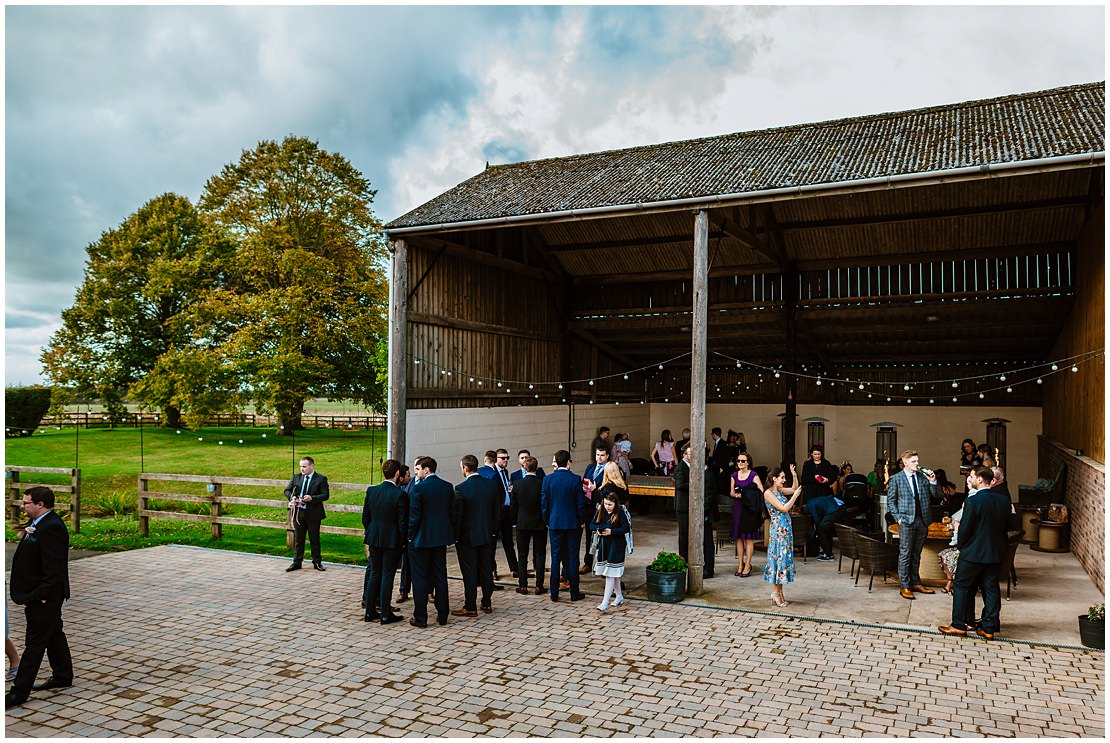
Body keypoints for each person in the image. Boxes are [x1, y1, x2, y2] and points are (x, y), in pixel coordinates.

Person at [6, 487, 73, 709]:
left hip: (45, 597)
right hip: (40, 594)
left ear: (40, 504)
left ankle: (19, 692)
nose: (22, 506)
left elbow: (54, 569)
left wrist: (42, 595)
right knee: (53, 632)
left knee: (34, 643)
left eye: (26, 503)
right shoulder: (40, 524)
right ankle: (63, 675)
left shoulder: (51, 527)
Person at [938, 467, 1013, 640]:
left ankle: (958, 625)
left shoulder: (974, 501)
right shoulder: (1003, 500)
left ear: (980, 480)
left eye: (972, 477)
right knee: (992, 589)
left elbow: (965, 529)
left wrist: (962, 546)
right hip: (995, 552)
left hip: (973, 553)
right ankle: (988, 628)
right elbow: (1007, 525)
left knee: (961, 586)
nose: (969, 480)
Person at [407, 456, 455, 628]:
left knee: (420, 579)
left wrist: (410, 535)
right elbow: (452, 513)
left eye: (418, 469)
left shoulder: (419, 489)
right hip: (440, 539)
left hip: (421, 539)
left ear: (427, 470)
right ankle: (443, 615)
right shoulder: (447, 487)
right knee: (440, 576)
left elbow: (415, 516)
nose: (416, 472)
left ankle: (421, 617)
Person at [452, 455, 501, 618]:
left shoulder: (460, 488)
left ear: (465, 468)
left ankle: (470, 606)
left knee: (469, 572)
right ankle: (487, 602)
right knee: (486, 569)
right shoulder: (491, 486)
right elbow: (497, 511)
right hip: (487, 535)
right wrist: (493, 531)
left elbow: (458, 516)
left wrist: (456, 536)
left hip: (468, 538)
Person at [886, 449, 939, 600]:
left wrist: (933, 481)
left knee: (917, 554)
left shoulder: (923, 478)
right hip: (906, 521)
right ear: (905, 463)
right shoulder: (896, 479)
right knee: (905, 554)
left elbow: (937, 495)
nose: (917, 464)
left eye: (917, 461)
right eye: (914, 461)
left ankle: (916, 582)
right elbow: (891, 501)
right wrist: (899, 518)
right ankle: (904, 585)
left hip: (922, 520)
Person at [362, 459, 407, 625]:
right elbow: (402, 522)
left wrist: (372, 531)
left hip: (374, 538)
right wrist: (403, 541)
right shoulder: (399, 494)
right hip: (392, 540)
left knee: (375, 573)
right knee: (387, 575)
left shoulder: (372, 491)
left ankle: (370, 611)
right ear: (397, 474)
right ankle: (386, 614)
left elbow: (365, 518)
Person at [541, 450, 589, 602]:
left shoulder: (547, 480)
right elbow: (580, 504)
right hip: (572, 523)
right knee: (573, 558)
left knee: (555, 559)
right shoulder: (575, 479)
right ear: (568, 462)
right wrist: (581, 521)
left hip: (555, 523)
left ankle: (554, 593)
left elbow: (544, 504)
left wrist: (548, 521)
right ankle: (574, 592)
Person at [673, 443, 716, 579]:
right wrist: (696, 483)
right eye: (691, 454)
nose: (694, 456)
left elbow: (709, 492)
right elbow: (680, 485)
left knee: (705, 539)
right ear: (685, 455)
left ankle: (707, 568)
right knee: (684, 535)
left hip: (702, 509)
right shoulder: (681, 468)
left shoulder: (705, 471)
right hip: (683, 507)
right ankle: (684, 561)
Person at [284, 456, 330, 572]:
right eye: (300, 466)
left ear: (311, 466)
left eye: (304, 466)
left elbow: (325, 495)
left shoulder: (320, 479)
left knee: (314, 538)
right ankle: (297, 562)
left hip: (313, 513)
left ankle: (317, 562)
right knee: (298, 539)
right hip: (299, 513)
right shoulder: (296, 477)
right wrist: (292, 497)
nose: (302, 469)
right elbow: (287, 490)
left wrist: (312, 498)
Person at [589, 491, 632, 612]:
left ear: (615, 504)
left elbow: (626, 528)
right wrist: (598, 530)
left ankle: (604, 602)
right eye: (606, 503)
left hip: (616, 546)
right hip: (605, 545)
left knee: (610, 573)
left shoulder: (621, 512)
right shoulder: (601, 511)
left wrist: (611, 531)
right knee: (614, 573)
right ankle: (618, 596)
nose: (607, 506)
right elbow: (591, 525)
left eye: (610, 504)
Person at [763, 465, 800, 607]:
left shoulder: (778, 490)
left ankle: (780, 593)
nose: (784, 480)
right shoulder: (768, 493)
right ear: (774, 479)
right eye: (782, 478)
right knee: (777, 559)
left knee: (783, 560)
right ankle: (775, 593)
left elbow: (793, 488)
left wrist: (794, 475)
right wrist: (795, 497)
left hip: (785, 529)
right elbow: (784, 508)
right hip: (778, 531)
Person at [510, 456, 547, 595]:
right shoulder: (542, 483)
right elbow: (545, 504)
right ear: (536, 469)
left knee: (522, 554)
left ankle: (523, 585)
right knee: (540, 554)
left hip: (522, 523)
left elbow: (514, 506)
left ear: (525, 468)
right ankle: (539, 585)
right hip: (539, 523)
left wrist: (514, 521)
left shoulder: (517, 484)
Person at [729, 452, 764, 577]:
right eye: (738, 461)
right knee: (738, 537)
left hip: (749, 510)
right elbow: (732, 493)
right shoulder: (734, 475)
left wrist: (746, 494)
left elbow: (761, 491)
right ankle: (740, 564)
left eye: (743, 461)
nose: (740, 463)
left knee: (748, 538)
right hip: (738, 508)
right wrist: (737, 494)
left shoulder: (754, 475)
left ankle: (748, 564)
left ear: (748, 462)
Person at [490, 448, 519, 583]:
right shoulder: (493, 473)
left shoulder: (506, 472)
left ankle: (515, 568)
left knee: (509, 541)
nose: (506, 460)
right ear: (496, 459)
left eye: (507, 457)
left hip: (507, 511)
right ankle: (492, 570)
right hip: (497, 512)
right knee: (493, 543)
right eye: (503, 458)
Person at [580, 445, 610, 574]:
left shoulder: (609, 469)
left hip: (602, 507)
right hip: (588, 506)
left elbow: (608, 491)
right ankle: (588, 562)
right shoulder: (590, 467)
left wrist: (595, 490)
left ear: (607, 456)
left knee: (603, 536)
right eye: (598, 455)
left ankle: (604, 564)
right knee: (589, 536)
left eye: (602, 455)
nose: (599, 457)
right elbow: (584, 481)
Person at [803, 483, 844, 562]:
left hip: (836, 509)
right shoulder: (811, 501)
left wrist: (816, 532)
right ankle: (827, 551)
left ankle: (828, 555)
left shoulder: (810, 506)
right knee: (826, 529)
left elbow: (816, 520)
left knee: (821, 529)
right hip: (838, 506)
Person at [395, 464, 415, 603]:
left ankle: (428, 592)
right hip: (401, 531)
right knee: (405, 563)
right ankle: (404, 590)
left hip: (414, 529)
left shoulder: (416, 483)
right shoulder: (399, 489)